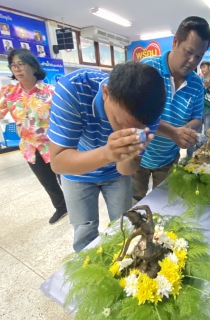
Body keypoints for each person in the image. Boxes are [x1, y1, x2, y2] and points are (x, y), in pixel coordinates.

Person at [48, 62, 167, 252]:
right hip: (76, 171)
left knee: (123, 227)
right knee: (85, 232)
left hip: (115, 175)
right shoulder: (72, 89)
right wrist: (107, 153)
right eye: (119, 122)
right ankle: (89, 276)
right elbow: (58, 162)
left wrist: (128, 156)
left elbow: (125, 169)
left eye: (134, 129)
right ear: (105, 93)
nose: (124, 132)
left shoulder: (149, 111)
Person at [132, 16, 210, 202]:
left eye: (199, 57)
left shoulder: (197, 84)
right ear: (175, 41)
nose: (192, 61)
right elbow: (136, 115)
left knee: (164, 205)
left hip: (168, 158)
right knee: (134, 204)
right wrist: (173, 132)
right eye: (188, 52)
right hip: (138, 156)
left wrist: (186, 132)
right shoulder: (147, 70)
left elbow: (197, 118)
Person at [0, 49, 67, 224]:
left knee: (66, 179)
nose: (17, 69)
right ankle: (61, 207)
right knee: (47, 182)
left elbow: (65, 117)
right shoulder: (8, 92)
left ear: (33, 66)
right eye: (13, 65)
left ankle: (75, 205)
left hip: (54, 145)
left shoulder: (51, 91)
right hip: (30, 147)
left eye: (21, 64)